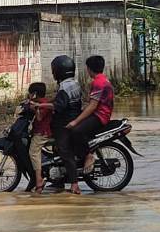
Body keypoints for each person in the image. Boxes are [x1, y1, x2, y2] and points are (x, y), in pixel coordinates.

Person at [34, 55, 83, 194]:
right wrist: (44, 102)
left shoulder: (64, 87)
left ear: (59, 71)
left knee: (64, 151)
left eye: (54, 70)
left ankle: (74, 184)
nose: (53, 73)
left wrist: (40, 105)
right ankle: (58, 181)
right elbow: (58, 99)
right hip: (72, 118)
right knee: (56, 149)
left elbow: (58, 106)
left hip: (65, 123)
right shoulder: (73, 83)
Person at [66, 55, 114, 176]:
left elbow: (92, 106)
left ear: (90, 69)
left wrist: (75, 121)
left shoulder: (98, 82)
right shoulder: (103, 79)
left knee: (76, 131)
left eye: (87, 68)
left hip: (99, 116)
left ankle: (88, 155)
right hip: (102, 114)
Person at [25, 82, 53, 194]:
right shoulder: (40, 102)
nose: (29, 95)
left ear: (35, 94)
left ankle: (38, 179)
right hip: (38, 131)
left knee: (33, 152)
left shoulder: (43, 104)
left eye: (30, 93)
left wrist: (36, 108)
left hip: (42, 133)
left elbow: (40, 118)